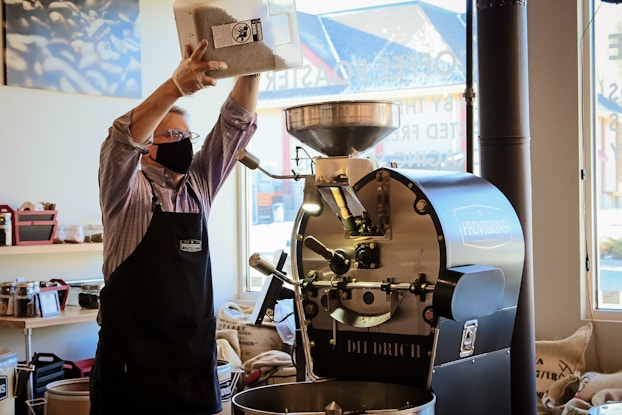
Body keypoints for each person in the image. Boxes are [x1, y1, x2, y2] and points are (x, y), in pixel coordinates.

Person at [90, 39, 260, 415]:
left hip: (194, 369)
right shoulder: (126, 192)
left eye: (187, 136)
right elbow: (121, 139)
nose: (183, 143)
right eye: (172, 136)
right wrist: (177, 86)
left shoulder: (198, 187)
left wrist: (254, 60)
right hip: (132, 375)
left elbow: (235, 125)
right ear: (147, 146)